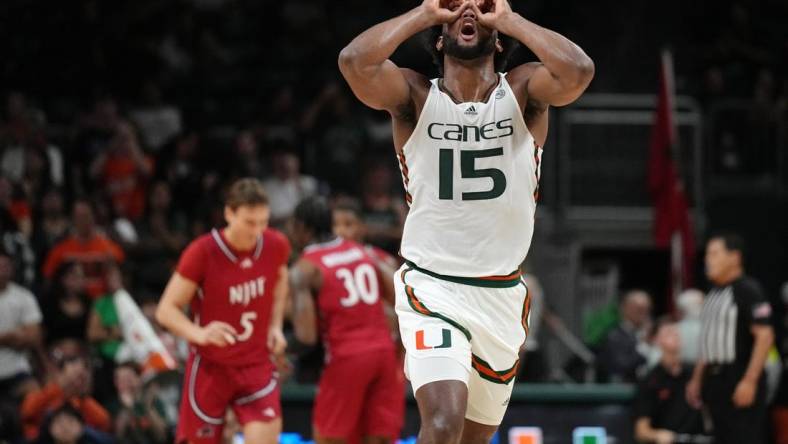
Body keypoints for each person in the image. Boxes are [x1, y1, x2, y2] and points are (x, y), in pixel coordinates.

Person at [338, 0, 593, 441]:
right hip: (432, 287)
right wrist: (424, 11)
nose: (469, 10)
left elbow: (579, 71)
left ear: (498, 37)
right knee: (442, 423)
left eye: (480, 7)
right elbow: (353, 62)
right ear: (440, 37)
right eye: (457, 8)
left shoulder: (525, 90)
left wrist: (511, 18)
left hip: (500, 295)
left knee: (472, 437)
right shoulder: (415, 96)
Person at [155, 178, 290, 444]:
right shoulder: (202, 252)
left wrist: (275, 326)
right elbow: (165, 310)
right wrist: (199, 333)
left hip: (256, 364)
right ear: (229, 213)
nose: (257, 230)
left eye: (263, 222)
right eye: (250, 222)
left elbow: (281, 280)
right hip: (211, 366)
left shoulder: (275, 245)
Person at [290, 197, 404, 444]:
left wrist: (280, 348)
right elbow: (400, 299)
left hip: (346, 356)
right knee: (379, 436)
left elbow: (306, 336)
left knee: (329, 437)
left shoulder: (305, 268)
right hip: (384, 352)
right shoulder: (364, 253)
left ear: (300, 228)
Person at [686, 233, 775, 444]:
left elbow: (765, 335)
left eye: (715, 253)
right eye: (707, 254)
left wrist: (749, 381)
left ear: (734, 257)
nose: (708, 259)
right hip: (713, 378)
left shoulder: (749, 290)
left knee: (743, 437)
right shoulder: (712, 293)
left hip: (738, 374)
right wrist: (697, 378)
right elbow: (708, 339)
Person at [21, 339, 111, 441]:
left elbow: (104, 422)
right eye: (74, 376)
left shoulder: (85, 404)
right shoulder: (45, 395)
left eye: (82, 378)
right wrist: (59, 387)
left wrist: (82, 397)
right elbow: (27, 412)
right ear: (60, 375)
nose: (77, 382)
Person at [634, 319, 706, 444]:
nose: (675, 336)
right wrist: (657, 435)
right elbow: (641, 431)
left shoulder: (695, 374)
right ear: (656, 340)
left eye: (677, 333)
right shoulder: (651, 380)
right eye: (668, 333)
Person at [42, 199, 125, 299]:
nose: (82, 221)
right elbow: (48, 280)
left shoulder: (110, 249)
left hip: (103, 303)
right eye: (78, 217)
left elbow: (122, 281)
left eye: (85, 216)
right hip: (72, 305)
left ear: (94, 217)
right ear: (72, 219)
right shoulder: (60, 250)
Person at [0, 248, 43, 401]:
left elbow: (34, 337)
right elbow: (21, 336)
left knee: (35, 395)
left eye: (6, 265)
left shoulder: (23, 297)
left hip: (17, 369)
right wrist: (11, 336)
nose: (2, 270)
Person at [597, 290, 653, 382]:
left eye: (647, 309)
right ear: (625, 308)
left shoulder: (652, 333)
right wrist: (645, 345)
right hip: (625, 389)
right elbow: (621, 366)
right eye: (639, 309)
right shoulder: (614, 336)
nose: (644, 313)